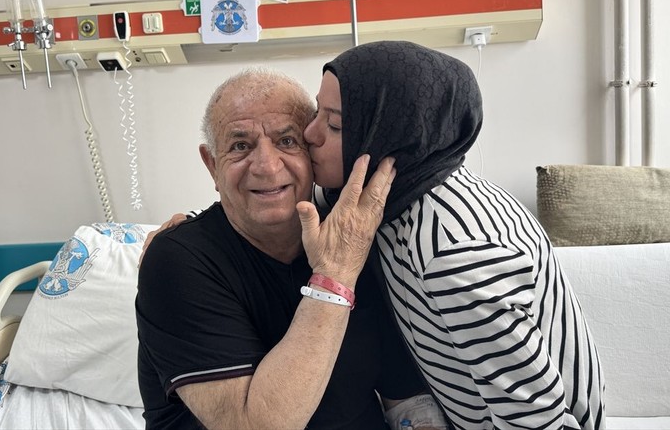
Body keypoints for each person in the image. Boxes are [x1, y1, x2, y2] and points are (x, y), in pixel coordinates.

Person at [303, 40, 606, 430]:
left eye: (335, 125)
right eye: (316, 112)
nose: (310, 133)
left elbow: (538, 422)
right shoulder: (401, 194)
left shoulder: (454, 254)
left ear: (392, 135)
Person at [135, 68, 449, 430]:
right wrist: (335, 275)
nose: (267, 167)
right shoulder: (178, 262)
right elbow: (253, 425)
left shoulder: (352, 233)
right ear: (212, 165)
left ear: (313, 151)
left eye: (287, 141)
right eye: (240, 146)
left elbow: (405, 399)